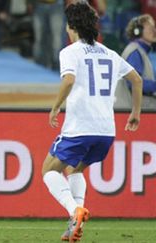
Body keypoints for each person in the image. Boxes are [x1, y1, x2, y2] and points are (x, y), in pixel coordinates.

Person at [41, 2, 142, 243]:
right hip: (106, 131)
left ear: (72, 26)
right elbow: (136, 80)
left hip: (80, 127)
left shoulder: (70, 51)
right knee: (74, 169)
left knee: (48, 171)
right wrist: (135, 113)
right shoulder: (110, 53)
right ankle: (75, 223)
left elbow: (68, 80)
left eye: (67, 24)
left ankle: (73, 211)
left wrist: (55, 107)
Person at [115, 14, 156, 111]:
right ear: (138, 31)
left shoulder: (140, 51)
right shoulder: (135, 51)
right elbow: (133, 82)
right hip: (130, 110)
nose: (154, 31)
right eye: (150, 27)